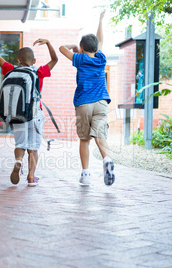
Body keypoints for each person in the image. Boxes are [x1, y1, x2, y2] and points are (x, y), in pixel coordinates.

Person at [0, 22, 58, 187]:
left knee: (20, 144)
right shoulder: (39, 71)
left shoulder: (11, 69)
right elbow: (55, 59)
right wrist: (48, 43)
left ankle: (18, 160)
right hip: (35, 114)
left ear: (18, 60)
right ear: (33, 60)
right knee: (33, 148)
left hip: (17, 114)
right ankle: (31, 177)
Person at [59, 11, 115, 186]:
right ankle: (107, 160)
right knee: (100, 136)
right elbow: (100, 40)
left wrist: (75, 47)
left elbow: (62, 49)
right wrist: (100, 20)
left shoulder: (80, 59)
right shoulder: (101, 58)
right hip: (101, 103)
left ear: (82, 49)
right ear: (96, 49)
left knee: (84, 140)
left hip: (84, 103)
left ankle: (85, 175)